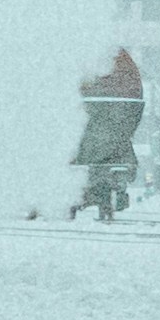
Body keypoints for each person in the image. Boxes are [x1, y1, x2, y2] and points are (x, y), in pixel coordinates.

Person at [66, 46, 145, 223]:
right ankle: (105, 207)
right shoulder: (124, 75)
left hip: (86, 155)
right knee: (104, 189)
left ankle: (92, 205)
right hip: (114, 148)